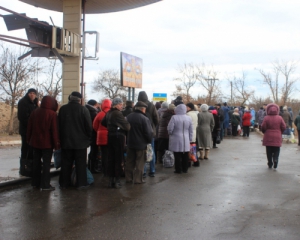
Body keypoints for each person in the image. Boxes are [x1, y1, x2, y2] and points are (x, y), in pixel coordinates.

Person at [58, 91, 92, 190]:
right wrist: (89, 139)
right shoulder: (83, 110)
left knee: (66, 163)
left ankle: (64, 183)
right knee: (80, 164)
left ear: (70, 98)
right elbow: (89, 126)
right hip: (81, 143)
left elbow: (59, 125)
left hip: (66, 142)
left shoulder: (63, 109)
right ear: (80, 100)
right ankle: (81, 183)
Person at [27, 96, 60, 190]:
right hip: (47, 144)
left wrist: (28, 139)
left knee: (36, 163)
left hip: (35, 142)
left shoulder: (35, 112)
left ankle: (35, 183)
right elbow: (54, 130)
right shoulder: (52, 114)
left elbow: (29, 128)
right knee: (46, 164)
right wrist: (56, 144)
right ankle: (45, 184)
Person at [101, 97, 130, 188]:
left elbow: (103, 122)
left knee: (111, 158)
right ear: (116, 105)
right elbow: (127, 127)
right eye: (120, 104)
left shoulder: (108, 113)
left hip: (110, 136)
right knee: (118, 159)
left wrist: (111, 127)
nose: (122, 106)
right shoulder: (118, 114)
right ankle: (117, 180)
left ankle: (111, 180)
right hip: (118, 137)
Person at [125, 101, 153, 184]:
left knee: (129, 162)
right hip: (141, 144)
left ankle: (128, 178)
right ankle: (138, 180)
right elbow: (148, 132)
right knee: (140, 163)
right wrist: (148, 141)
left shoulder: (128, 117)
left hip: (130, 143)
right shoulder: (144, 119)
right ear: (143, 109)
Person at [137, 91, 159, 178]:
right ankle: (152, 170)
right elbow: (157, 119)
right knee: (151, 151)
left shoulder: (137, 105)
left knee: (142, 152)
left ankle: (144, 171)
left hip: (140, 133)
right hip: (150, 132)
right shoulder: (151, 106)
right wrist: (153, 126)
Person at [167, 104, 193, 173]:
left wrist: (170, 133)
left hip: (176, 137)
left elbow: (170, 128)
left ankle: (178, 169)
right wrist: (190, 138)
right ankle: (185, 168)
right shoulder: (189, 118)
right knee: (185, 154)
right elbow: (191, 130)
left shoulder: (174, 117)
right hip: (186, 137)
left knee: (177, 154)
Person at [261, 103, 286, 169]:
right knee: (277, 150)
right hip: (277, 135)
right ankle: (275, 159)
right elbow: (284, 126)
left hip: (268, 135)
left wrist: (265, 132)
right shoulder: (280, 118)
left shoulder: (266, 118)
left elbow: (263, 126)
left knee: (268, 150)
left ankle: (270, 163)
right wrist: (280, 132)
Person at [93, 99, 112, 175]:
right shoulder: (112, 113)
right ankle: (109, 170)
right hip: (111, 136)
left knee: (104, 154)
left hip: (101, 137)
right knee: (110, 154)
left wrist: (99, 131)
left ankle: (104, 169)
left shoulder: (99, 114)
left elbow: (94, 126)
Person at [85, 99, 100, 173]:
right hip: (94, 134)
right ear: (94, 104)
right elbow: (95, 125)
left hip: (86, 135)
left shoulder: (85, 110)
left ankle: (89, 167)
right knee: (94, 151)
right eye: (97, 104)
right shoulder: (94, 112)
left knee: (90, 151)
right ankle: (93, 168)